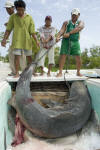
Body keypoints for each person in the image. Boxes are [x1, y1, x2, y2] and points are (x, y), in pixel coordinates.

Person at [1, 0, 39, 78]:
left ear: (24, 9)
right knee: (16, 57)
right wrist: (4, 39)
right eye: (18, 10)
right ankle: (17, 73)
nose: (20, 12)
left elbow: (32, 31)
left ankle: (32, 72)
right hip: (17, 40)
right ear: (16, 9)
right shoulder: (13, 17)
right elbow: (8, 29)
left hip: (27, 40)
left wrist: (36, 41)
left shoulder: (29, 17)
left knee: (29, 57)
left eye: (22, 10)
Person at [56, 8, 84, 77]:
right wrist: (58, 36)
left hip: (75, 41)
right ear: (71, 15)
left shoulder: (81, 22)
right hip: (65, 41)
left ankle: (78, 72)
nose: (74, 16)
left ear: (79, 15)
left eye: (75, 15)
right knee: (63, 55)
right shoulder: (66, 22)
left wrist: (69, 33)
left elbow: (80, 28)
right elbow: (62, 30)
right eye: (73, 15)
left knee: (78, 56)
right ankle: (60, 72)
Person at [4, 0, 26, 76]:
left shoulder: (21, 15)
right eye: (6, 9)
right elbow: (8, 29)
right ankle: (14, 72)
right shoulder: (9, 17)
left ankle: (24, 72)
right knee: (11, 56)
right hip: (11, 41)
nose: (8, 10)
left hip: (20, 40)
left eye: (9, 8)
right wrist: (4, 39)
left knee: (22, 57)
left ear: (13, 8)